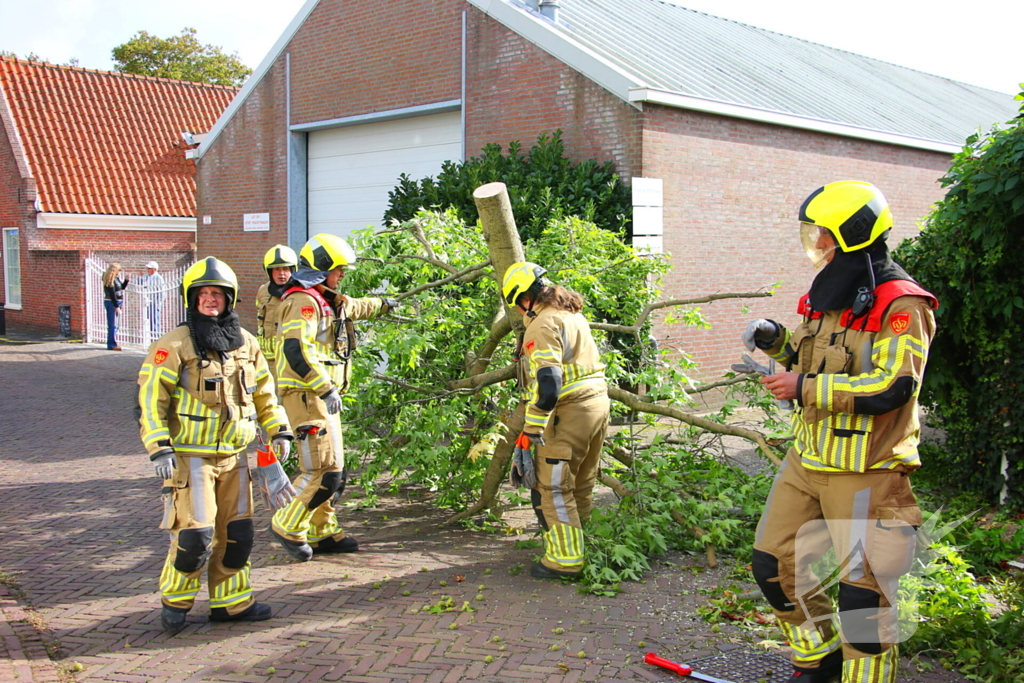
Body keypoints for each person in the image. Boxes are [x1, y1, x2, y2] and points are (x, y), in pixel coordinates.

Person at [742, 182, 938, 683]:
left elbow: (893, 387)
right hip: (807, 459)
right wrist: (776, 341)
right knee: (772, 563)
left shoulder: (902, 304)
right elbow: (810, 358)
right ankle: (821, 655)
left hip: (867, 470)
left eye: (824, 233)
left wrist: (805, 387)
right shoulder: (829, 290)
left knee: (862, 597)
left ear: (853, 234)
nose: (817, 243)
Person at [137, 256, 294, 633]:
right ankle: (175, 602)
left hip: (235, 458)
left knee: (238, 536)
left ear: (229, 298)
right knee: (195, 536)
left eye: (218, 293)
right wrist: (159, 446)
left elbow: (265, 393)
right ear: (192, 299)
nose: (210, 299)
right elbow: (150, 399)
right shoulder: (174, 345)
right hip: (191, 458)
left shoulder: (246, 344)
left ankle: (232, 604)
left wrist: (279, 430)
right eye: (203, 293)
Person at [269, 233, 397, 561]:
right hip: (307, 395)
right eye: (338, 269)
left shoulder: (326, 299)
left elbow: (355, 306)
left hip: (322, 397)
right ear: (323, 268)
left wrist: (385, 304)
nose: (342, 274)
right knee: (323, 471)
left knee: (336, 470)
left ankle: (321, 531)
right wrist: (325, 388)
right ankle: (287, 522)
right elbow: (296, 350)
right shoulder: (303, 301)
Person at [501, 262, 610, 580]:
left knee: (554, 488)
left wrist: (531, 429)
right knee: (581, 483)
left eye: (516, 304)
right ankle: (586, 546)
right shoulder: (570, 314)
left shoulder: (542, 324)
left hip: (569, 413)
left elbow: (549, 386)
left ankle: (565, 561)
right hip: (597, 406)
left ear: (523, 298)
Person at [255, 245, 298, 383]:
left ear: (293, 270)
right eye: (277, 269)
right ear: (269, 271)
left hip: (288, 363)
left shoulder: (299, 294)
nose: (281, 273)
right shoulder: (263, 291)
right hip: (264, 361)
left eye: (285, 269)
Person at [101, 262, 129, 350]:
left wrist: (126, 280)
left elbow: (121, 288)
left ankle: (112, 342)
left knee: (115, 324)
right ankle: (111, 344)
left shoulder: (116, 278)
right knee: (113, 324)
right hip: (112, 302)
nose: (120, 271)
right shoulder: (110, 279)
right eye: (119, 270)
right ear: (115, 270)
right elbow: (112, 294)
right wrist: (116, 306)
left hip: (117, 302)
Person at [140, 261, 166, 344]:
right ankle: (151, 339)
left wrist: (158, 303)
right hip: (147, 303)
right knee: (148, 321)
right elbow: (138, 283)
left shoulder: (158, 278)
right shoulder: (146, 277)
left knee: (155, 321)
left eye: (149, 268)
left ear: (155, 269)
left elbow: (162, 292)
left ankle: (156, 339)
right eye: (147, 268)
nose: (148, 270)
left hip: (154, 303)